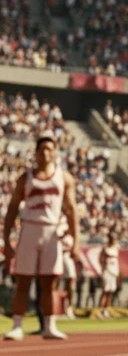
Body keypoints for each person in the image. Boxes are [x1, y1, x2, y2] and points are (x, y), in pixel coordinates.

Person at [2, 135, 77, 340]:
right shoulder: (25, 178)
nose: (45, 152)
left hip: (51, 231)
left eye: (49, 149)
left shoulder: (64, 178)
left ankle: (49, 325)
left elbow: (71, 210)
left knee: (49, 282)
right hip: (30, 229)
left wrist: (75, 241)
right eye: (41, 148)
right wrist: (7, 239)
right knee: (23, 280)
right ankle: (17, 324)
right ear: (35, 153)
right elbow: (12, 209)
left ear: (54, 153)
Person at [93, 233, 120, 319]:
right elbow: (101, 259)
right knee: (105, 291)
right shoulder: (105, 248)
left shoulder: (116, 248)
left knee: (110, 292)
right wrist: (102, 270)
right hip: (107, 271)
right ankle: (99, 310)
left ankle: (106, 310)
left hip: (114, 272)